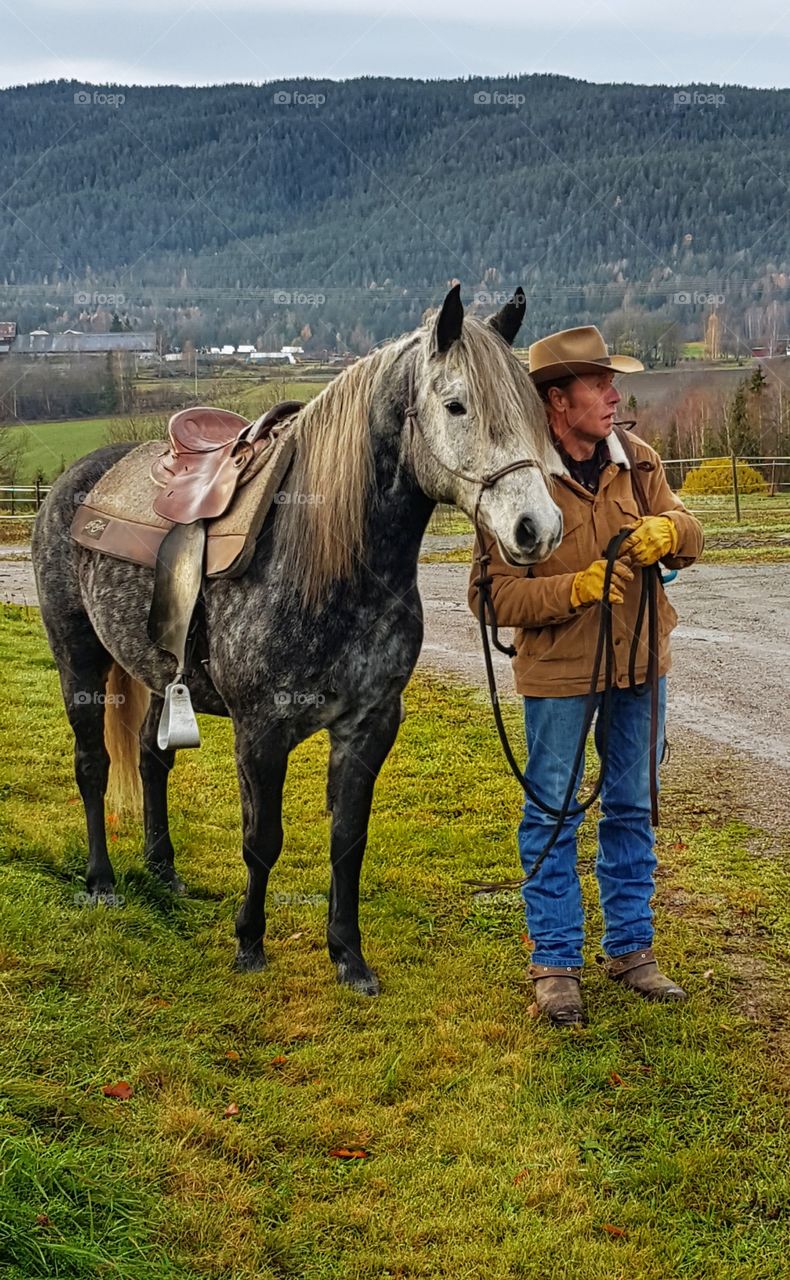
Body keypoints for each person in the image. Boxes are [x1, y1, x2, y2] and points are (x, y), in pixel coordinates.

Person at [468, 325, 704, 1027]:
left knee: (632, 807)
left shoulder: (639, 460)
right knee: (553, 814)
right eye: (599, 384)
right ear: (556, 402)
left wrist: (675, 535)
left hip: (641, 666)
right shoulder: (516, 485)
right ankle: (556, 963)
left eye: (612, 382)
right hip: (560, 679)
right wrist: (572, 589)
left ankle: (632, 950)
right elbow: (490, 598)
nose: (614, 394)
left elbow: (690, 529)